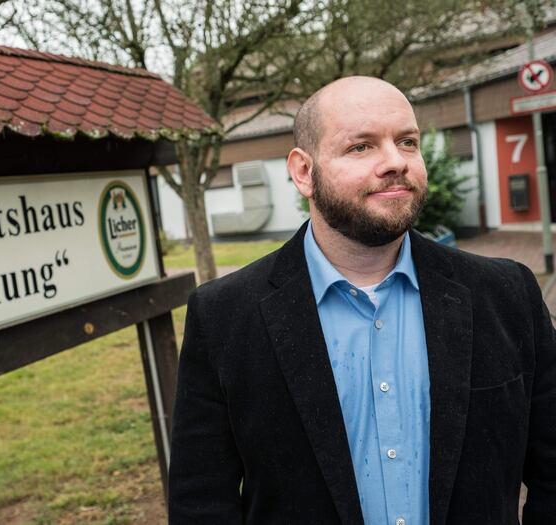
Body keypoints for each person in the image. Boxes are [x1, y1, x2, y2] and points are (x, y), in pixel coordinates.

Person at [167, 76, 556, 524]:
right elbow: (201, 502)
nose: (395, 162)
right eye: (361, 147)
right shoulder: (224, 317)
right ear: (303, 172)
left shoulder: (506, 296)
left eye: (407, 142)